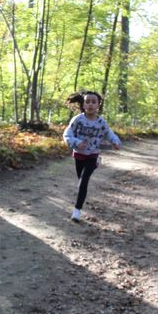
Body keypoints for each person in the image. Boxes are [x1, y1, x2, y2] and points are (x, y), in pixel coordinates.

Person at [63, 91, 121, 222]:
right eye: (87, 101)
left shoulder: (101, 122)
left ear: (98, 105)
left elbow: (109, 134)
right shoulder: (78, 119)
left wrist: (116, 142)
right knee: (80, 182)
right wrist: (76, 143)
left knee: (83, 182)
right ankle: (95, 164)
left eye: (93, 102)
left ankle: (77, 211)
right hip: (79, 154)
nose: (90, 104)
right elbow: (67, 135)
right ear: (83, 105)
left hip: (92, 154)